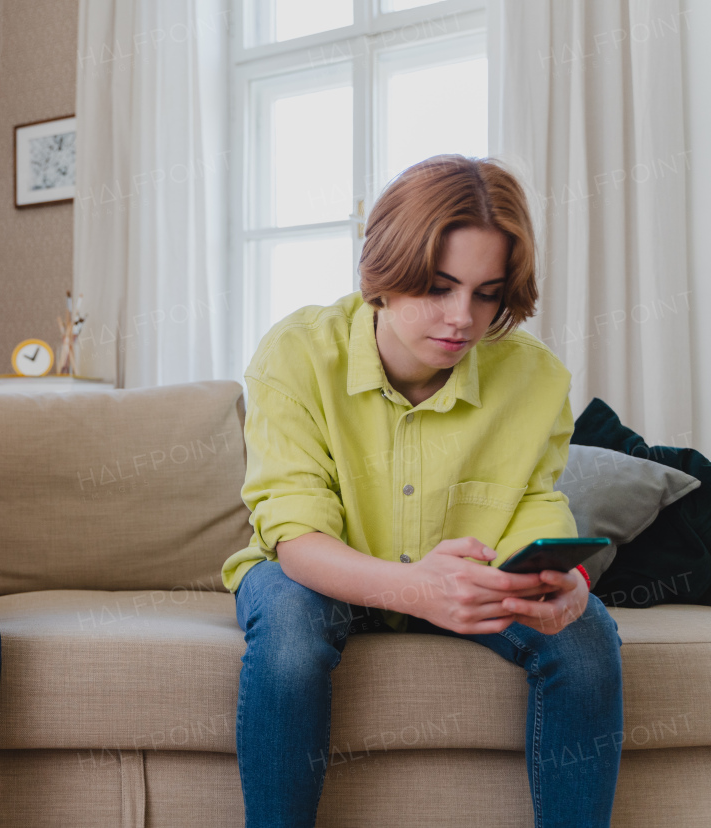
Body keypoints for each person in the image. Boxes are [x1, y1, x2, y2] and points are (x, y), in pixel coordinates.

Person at [222, 155, 624, 828]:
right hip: (317, 575)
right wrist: (418, 589)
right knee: (291, 632)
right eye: (438, 287)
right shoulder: (293, 353)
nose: (462, 319)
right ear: (383, 270)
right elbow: (296, 537)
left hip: (469, 581)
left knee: (587, 638)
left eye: (487, 293)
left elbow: (534, 504)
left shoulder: (535, 377)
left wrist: (566, 579)